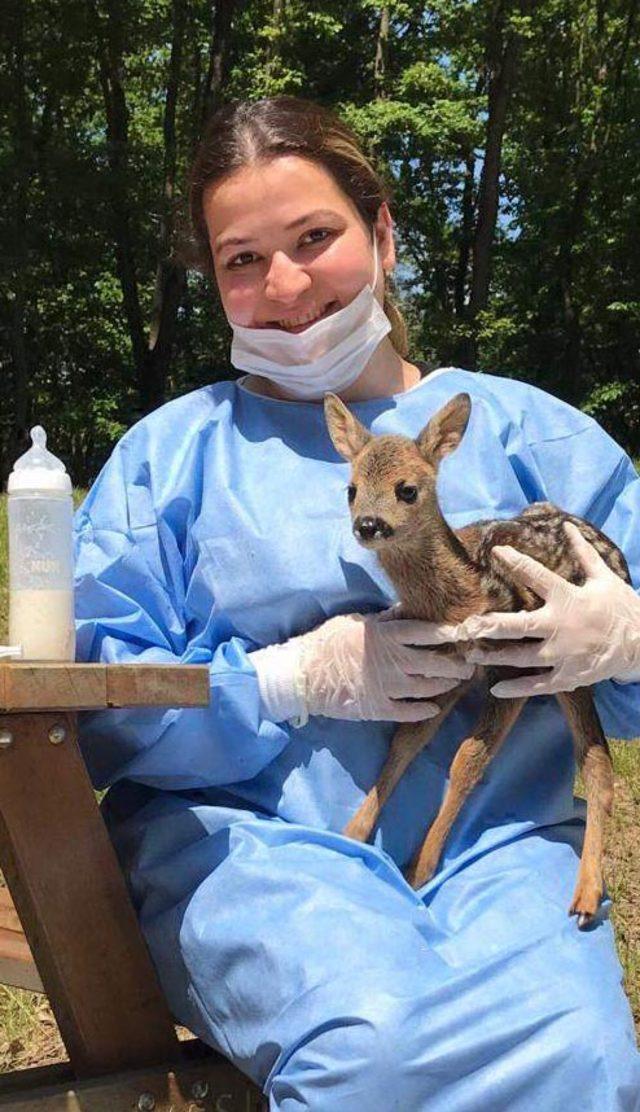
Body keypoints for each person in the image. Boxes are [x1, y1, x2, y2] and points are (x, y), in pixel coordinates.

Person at [74, 95, 640, 1110]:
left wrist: (625, 640)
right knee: (374, 1046)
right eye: (240, 259)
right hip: (248, 849)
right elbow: (97, 708)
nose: (282, 284)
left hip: (498, 847)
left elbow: (623, 669)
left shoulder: (532, 434)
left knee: (581, 1059)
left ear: (380, 235)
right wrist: (282, 681)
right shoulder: (169, 458)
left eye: (313, 237)